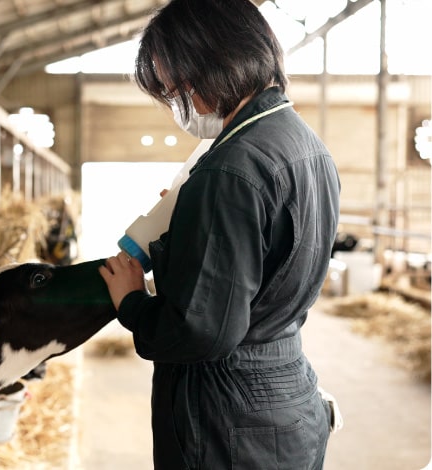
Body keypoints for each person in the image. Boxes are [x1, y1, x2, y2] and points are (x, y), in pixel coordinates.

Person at [98, 0, 341, 468]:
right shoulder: (305, 144)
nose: (179, 104)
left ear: (215, 65)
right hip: (286, 392)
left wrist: (132, 303)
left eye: (178, 88)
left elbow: (200, 332)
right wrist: (193, 220)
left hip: (228, 419)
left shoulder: (231, 168)